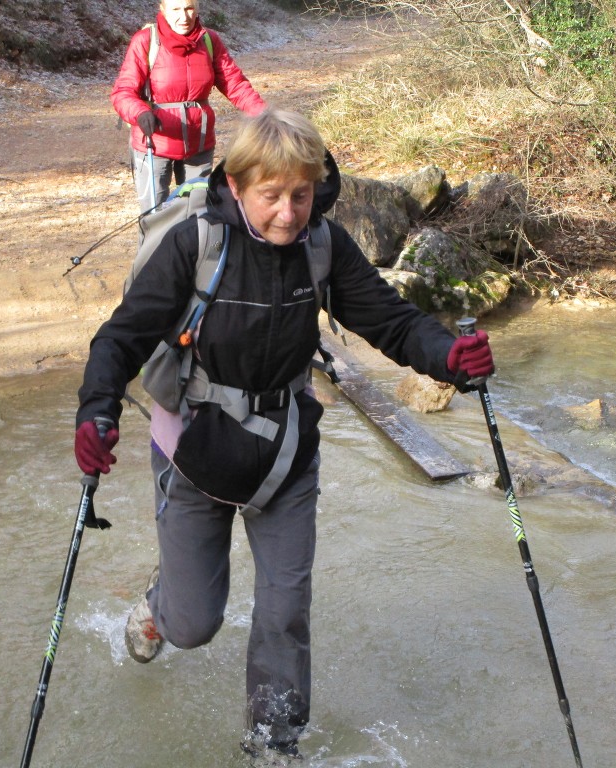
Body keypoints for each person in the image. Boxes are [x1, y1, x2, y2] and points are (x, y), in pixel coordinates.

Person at [74, 109, 495, 759]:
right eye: (271, 195)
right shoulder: (196, 243)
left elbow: (393, 322)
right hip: (192, 448)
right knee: (193, 624)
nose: (287, 213)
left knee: (285, 606)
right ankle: (162, 603)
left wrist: (448, 357)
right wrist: (96, 412)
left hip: (284, 450)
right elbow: (122, 337)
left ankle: (274, 741)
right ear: (238, 185)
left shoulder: (323, 245)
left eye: (301, 194)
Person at [110, 0, 267, 214]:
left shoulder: (209, 41)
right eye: (176, 9)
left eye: (189, 8)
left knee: (201, 215)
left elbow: (235, 84)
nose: (184, 17)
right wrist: (140, 112)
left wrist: (264, 114)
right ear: (163, 9)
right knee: (155, 218)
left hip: (198, 143)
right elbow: (123, 92)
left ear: (198, 8)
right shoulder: (145, 41)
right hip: (154, 142)